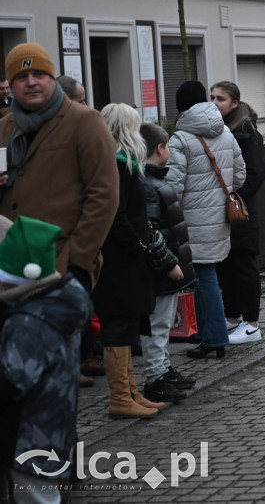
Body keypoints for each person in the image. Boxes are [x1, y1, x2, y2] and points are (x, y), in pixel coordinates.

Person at [0, 43, 117, 389]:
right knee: (16, 372)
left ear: (52, 78)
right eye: (21, 77)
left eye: (39, 74)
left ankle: (55, 443)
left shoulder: (84, 121)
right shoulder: (4, 127)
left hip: (60, 264)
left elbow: (104, 195)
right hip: (10, 267)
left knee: (55, 373)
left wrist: (77, 260)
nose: (31, 82)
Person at [0, 216, 92, 501]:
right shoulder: (60, 304)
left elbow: (12, 382)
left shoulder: (28, 323)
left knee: (36, 497)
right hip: (53, 428)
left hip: (30, 436)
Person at [91, 104, 162, 419]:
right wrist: (138, 245)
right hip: (120, 259)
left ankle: (130, 391)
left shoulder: (124, 162)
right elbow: (117, 215)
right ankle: (120, 397)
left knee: (128, 324)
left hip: (128, 256)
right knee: (118, 326)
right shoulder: (117, 165)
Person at [166, 80, 245, 359]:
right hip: (219, 216)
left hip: (192, 218)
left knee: (205, 275)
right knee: (203, 274)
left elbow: (172, 188)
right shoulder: (223, 130)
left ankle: (214, 338)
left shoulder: (180, 139)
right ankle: (205, 332)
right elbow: (239, 175)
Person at [138, 122, 195, 404]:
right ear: (160, 149)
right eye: (168, 147)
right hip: (162, 269)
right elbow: (150, 231)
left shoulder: (155, 182)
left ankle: (163, 369)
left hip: (168, 268)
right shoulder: (149, 186)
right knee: (157, 325)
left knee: (164, 323)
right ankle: (155, 378)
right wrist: (170, 262)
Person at [210, 81, 265, 345]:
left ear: (234, 103)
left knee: (244, 265)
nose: (214, 103)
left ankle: (252, 324)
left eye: (220, 99)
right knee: (227, 265)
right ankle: (232, 317)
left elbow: (256, 173)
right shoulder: (219, 129)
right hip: (223, 209)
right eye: (211, 98)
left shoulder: (246, 130)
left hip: (240, 210)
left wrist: (236, 199)